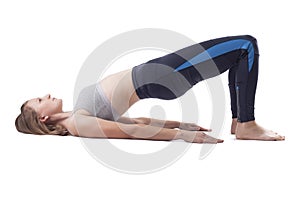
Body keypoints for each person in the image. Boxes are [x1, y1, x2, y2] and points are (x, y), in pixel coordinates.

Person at [15, 35, 285, 143]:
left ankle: (239, 122)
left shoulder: (78, 115)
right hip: (162, 76)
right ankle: (247, 123)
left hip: (157, 72)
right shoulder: (79, 124)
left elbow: (137, 120)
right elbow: (131, 131)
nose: (47, 95)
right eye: (40, 100)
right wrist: (182, 136)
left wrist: (181, 123)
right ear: (43, 118)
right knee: (245, 46)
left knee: (238, 53)